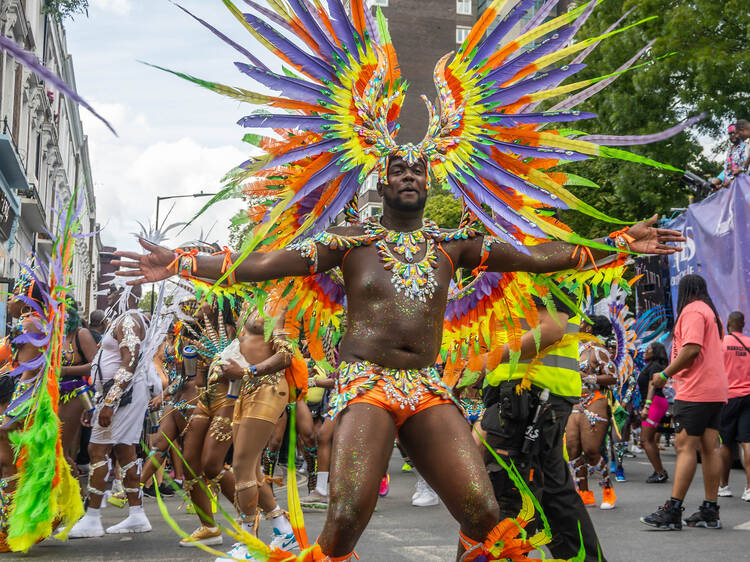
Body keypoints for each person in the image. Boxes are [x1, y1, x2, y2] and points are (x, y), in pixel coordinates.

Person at [113, 152, 683, 559]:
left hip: (428, 388)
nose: (409, 176)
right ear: (382, 186)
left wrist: (617, 244)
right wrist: (186, 263)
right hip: (367, 385)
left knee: (485, 515)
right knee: (343, 519)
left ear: (429, 183)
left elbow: (538, 256)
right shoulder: (350, 243)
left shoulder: (452, 245)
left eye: (418, 171)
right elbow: (267, 262)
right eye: (398, 171)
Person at [478, 296, 607, 561]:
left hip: (530, 397)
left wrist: (489, 360)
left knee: (510, 499)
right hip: (527, 397)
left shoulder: (541, 259)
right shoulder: (514, 266)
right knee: (553, 498)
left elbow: (551, 329)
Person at [640, 274, 727, 531]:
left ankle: (673, 510)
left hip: (696, 391)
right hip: (715, 391)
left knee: (684, 445)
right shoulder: (710, 312)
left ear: (685, 291)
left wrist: (665, 374)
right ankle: (710, 511)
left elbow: (691, 349)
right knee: (710, 448)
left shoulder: (691, 311)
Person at [214, 303, 298, 561]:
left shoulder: (278, 302)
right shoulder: (250, 303)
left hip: (268, 388)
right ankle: (283, 530)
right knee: (251, 467)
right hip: (246, 390)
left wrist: (248, 371)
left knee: (241, 466)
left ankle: (249, 543)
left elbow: (287, 354)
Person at [68, 284, 153, 538]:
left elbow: (130, 362)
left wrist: (109, 403)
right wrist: (98, 403)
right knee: (124, 450)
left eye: (116, 291)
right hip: (117, 395)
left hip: (123, 396)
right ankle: (137, 515)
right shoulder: (122, 319)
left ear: (130, 293)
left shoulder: (128, 320)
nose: (110, 294)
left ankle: (92, 518)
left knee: (97, 450)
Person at [178, 302, 237, 548]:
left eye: (200, 300)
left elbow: (242, 371)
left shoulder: (236, 329)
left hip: (231, 398)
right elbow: (197, 378)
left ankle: (251, 516)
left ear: (216, 304)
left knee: (212, 465)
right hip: (206, 399)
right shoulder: (196, 332)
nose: (194, 306)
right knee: (189, 463)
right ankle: (209, 527)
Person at [564, 316, 618, 511]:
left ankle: (607, 490)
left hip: (594, 401)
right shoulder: (573, 349)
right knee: (572, 449)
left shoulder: (598, 351)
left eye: (582, 322)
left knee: (591, 450)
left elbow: (613, 377)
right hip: (573, 403)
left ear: (588, 326)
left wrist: (588, 376)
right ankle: (584, 493)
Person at [58, 301, 99, 477]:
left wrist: (66, 370)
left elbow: (95, 364)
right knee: (58, 448)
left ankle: (75, 492)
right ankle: (73, 492)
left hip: (76, 394)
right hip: (54, 394)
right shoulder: (55, 335)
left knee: (62, 448)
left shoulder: (81, 334)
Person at [718, 311, 750, 501]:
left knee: (726, 443)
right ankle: (748, 488)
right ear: (743, 324)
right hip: (749, 397)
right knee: (747, 442)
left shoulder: (722, 344)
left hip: (728, 398)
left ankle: (724, 486)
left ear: (728, 324)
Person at [638, 342, 670, 483]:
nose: (645, 351)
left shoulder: (655, 366)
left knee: (646, 440)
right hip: (655, 402)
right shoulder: (652, 365)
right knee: (648, 440)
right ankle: (659, 471)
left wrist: (647, 406)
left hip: (654, 402)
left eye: (648, 349)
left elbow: (652, 386)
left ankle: (660, 472)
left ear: (656, 352)